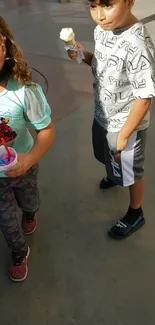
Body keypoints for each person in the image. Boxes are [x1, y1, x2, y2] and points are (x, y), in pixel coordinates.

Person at [68, 0, 155, 239]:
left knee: (131, 171)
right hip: (103, 113)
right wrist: (81, 54)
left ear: (129, 2)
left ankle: (136, 212)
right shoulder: (103, 30)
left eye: (107, 5)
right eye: (93, 6)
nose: (99, 16)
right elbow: (101, 64)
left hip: (126, 123)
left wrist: (125, 134)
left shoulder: (137, 44)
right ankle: (114, 175)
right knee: (103, 154)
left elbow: (144, 96)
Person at [0, 16, 55, 281]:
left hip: (24, 169)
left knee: (29, 201)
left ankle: (31, 213)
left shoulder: (23, 90)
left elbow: (45, 130)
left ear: (5, 47)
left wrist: (30, 158)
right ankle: (19, 251)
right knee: (7, 222)